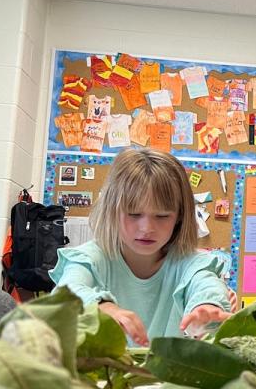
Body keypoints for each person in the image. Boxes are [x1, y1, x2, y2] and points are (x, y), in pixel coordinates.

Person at [50, 148, 232, 346]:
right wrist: (103, 307)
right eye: (134, 214)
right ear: (112, 211)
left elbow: (207, 285)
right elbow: (66, 292)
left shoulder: (192, 263)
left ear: (180, 216)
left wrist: (207, 306)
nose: (146, 228)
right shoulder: (90, 258)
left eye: (162, 216)